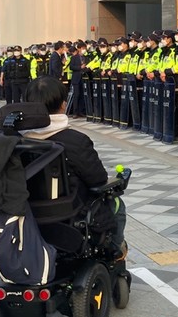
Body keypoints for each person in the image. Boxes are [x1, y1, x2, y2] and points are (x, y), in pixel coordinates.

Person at [22, 77, 127, 256]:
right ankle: (115, 251)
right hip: (70, 217)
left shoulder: (13, 140)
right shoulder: (76, 141)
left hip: (26, 214)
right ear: (63, 105)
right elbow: (98, 179)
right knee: (116, 202)